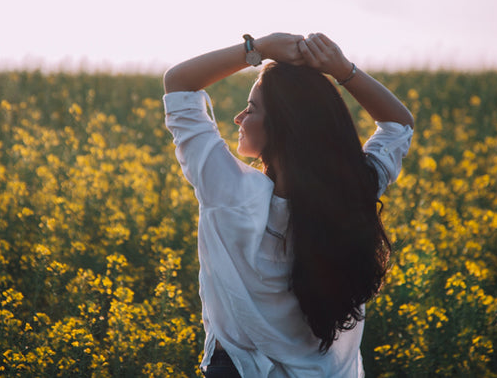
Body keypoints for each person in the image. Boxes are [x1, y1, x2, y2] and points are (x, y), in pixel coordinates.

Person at [162, 33, 414, 377]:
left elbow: (178, 83)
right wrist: (342, 70)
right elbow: (399, 124)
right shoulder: (354, 192)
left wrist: (258, 48)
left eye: (250, 109)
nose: (238, 118)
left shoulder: (229, 193)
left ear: (282, 127)